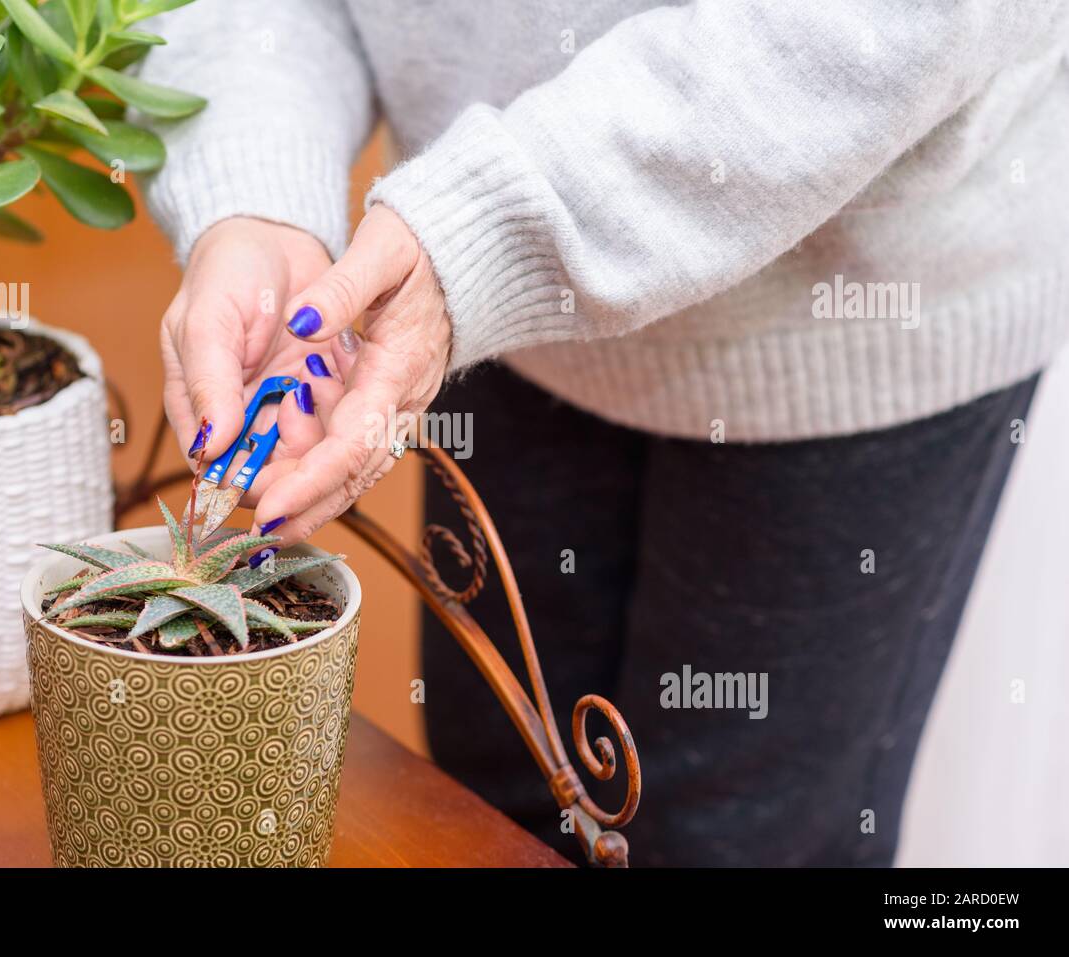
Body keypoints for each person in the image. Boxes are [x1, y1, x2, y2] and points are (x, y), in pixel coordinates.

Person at [140, 0, 1069, 865]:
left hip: (850, 331)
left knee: (733, 840)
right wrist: (255, 192)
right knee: (490, 803)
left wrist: (484, 230)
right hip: (490, 310)